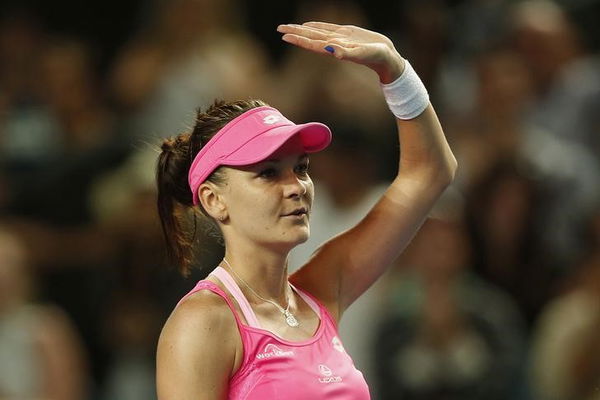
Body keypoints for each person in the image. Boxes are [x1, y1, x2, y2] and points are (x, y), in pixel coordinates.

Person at [155, 21, 457, 400]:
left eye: (300, 168)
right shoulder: (203, 322)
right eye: (268, 173)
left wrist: (395, 71)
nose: (296, 186)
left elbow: (430, 173)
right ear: (215, 200)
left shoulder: (322, 289)